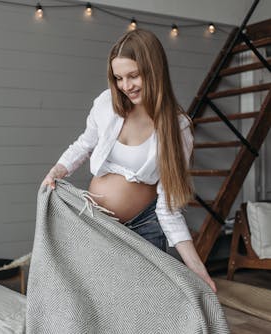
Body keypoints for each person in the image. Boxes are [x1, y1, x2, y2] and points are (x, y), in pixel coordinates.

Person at [41, 29, 216, 292]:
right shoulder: (106, 103)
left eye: (134, 75)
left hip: (144, 228)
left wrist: (197, 268)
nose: (126, 86)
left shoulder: (177, 129)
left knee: (143, 306)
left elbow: (168, 208)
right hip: (96, 224)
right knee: (97, 301)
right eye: (119, 78)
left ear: (154, 70)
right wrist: (57, 170)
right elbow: (84, 143)